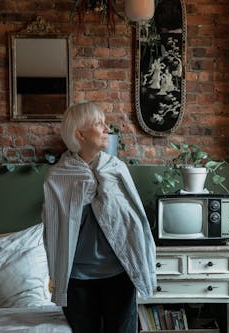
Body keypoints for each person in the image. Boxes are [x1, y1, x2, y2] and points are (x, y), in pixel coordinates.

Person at [42, 102, 157, 333]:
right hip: (77, 280)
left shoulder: (116, 169)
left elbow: (134, 221)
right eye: (98, 123)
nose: (107, 128)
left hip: (119, 274)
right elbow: (54, 231)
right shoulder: (58, 177)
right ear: (80, 134)